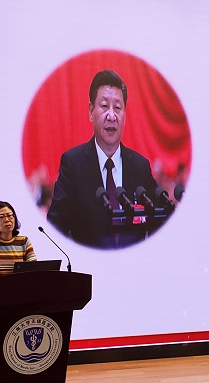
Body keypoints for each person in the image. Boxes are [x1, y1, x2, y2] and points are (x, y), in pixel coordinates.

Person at [47, 69, 158, 248]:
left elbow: (156, 225)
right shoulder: (73, 164)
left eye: (118, 108)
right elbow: (55, 227)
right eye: (104, 106)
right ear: (91, 111)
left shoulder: (140, 167)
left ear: (125, 114)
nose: (111, 116)